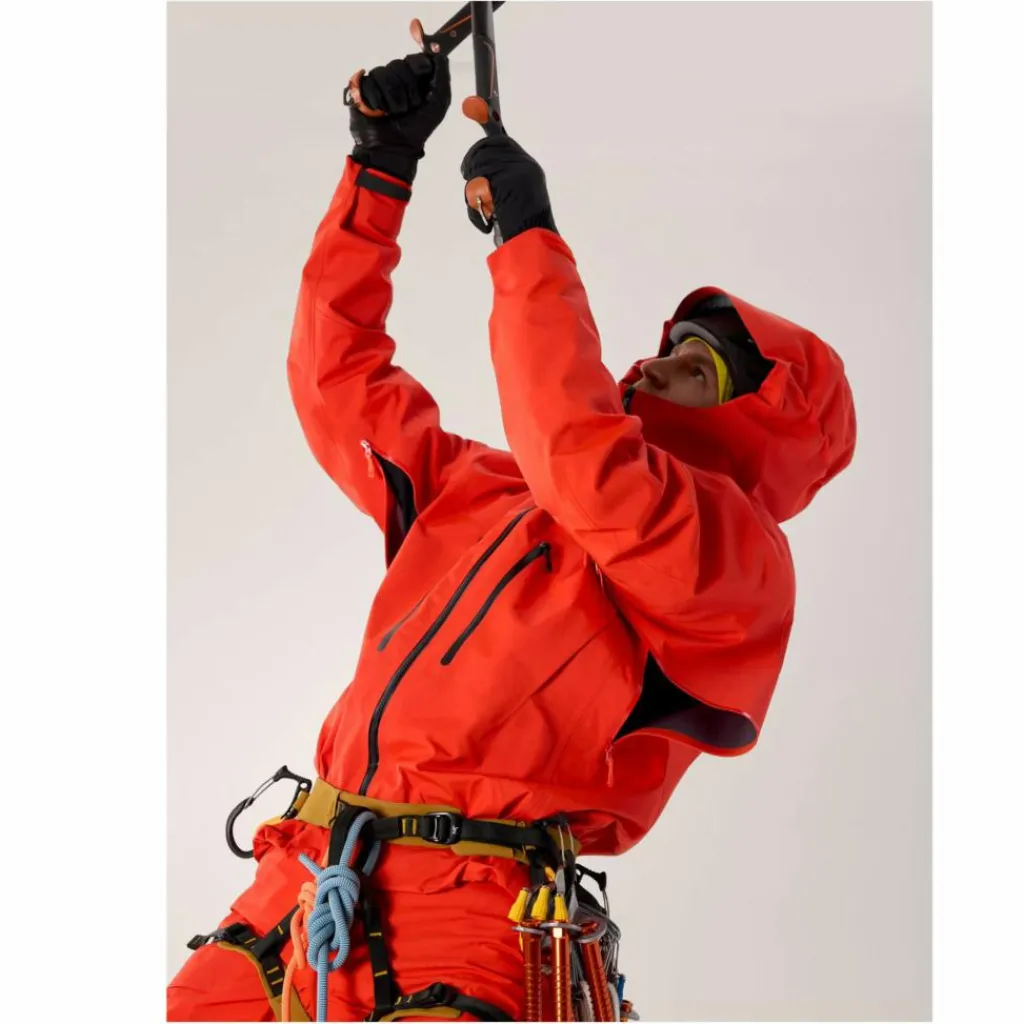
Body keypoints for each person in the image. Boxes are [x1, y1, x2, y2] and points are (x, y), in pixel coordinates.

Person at [168, 50, 856, 1023]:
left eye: (697, 369)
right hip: (307, 877)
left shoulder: (732, 558)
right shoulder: (488, 490)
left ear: (760, 424)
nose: (656, 369)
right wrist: (379, 171)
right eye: (668, 349)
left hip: (478, 913)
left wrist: (528, 240)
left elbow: (582, 454)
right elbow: (339, 383)